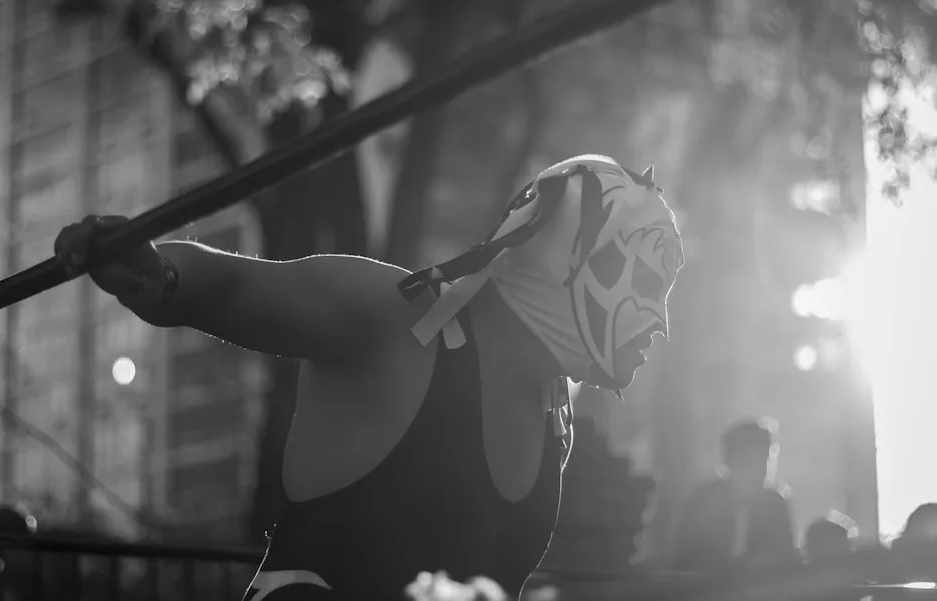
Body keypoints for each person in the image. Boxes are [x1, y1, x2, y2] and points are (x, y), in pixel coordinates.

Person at [56, 155, 685, 600]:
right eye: (649, 282)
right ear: (572, 256)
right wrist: (158, 273)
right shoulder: (396, 321)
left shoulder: (556, 412)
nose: (659, 321)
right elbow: (233, 286)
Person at [671, 417, 797, 573]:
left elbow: (785, 558)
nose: (759, 470)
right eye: (749, 461)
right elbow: (684, 558)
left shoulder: (774, 505)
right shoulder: (703, 502)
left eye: (764, 460)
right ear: (728, 460)